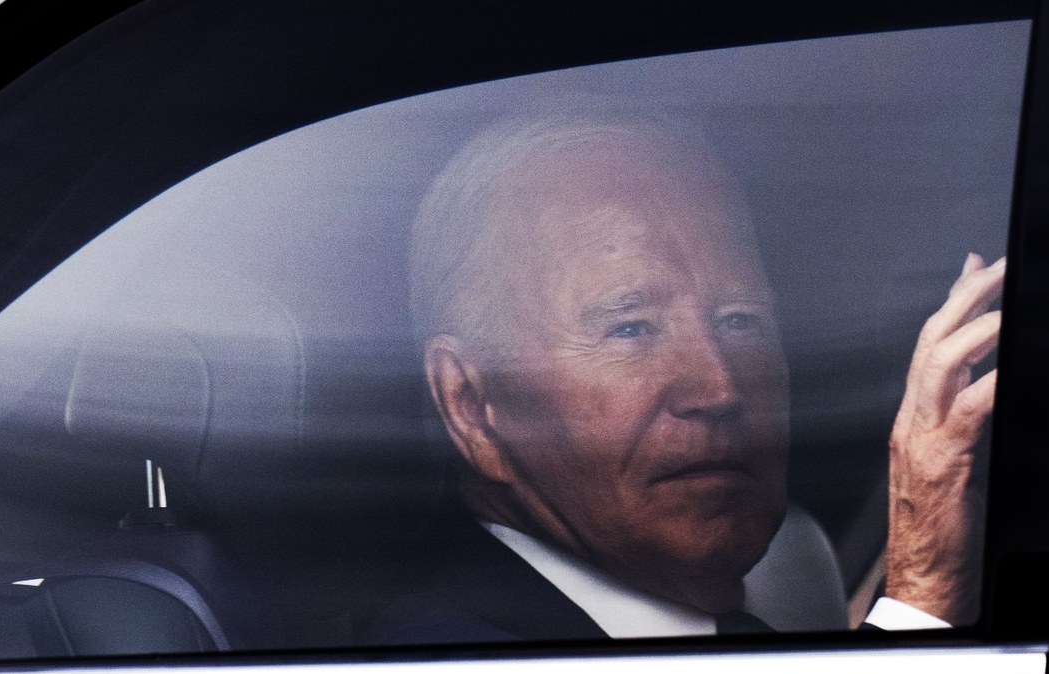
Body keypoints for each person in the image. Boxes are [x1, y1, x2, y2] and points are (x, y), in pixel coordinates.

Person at [376, 113, 1002, 642]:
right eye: (630, 329)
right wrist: (925, 598)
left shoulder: (791, 571)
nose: (719, 389)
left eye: (740, 320)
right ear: (470, 405)